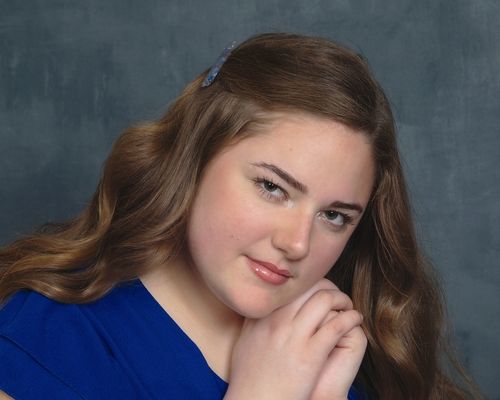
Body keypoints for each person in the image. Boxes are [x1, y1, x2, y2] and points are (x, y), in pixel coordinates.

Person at [0, 33, 481, 399]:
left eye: (334, 216)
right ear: (193, 161)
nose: (297, 243)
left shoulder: (344, 352)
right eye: (272, 187)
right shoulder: (42, 339)